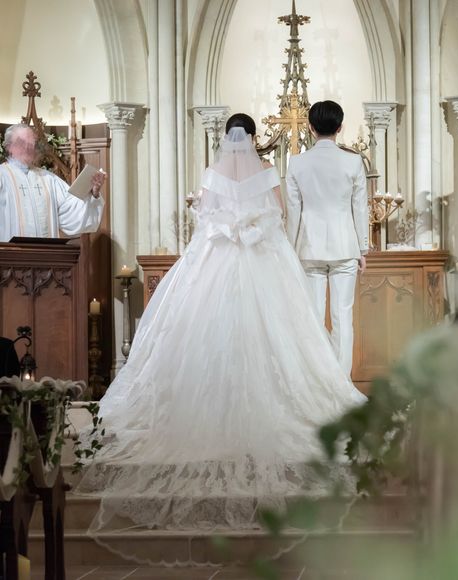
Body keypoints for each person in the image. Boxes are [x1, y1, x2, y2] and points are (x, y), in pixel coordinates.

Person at [77, 114, 366, 562]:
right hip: (262, 259)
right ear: (253, 138)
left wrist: (228, 226)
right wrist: (254, 228)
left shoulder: (212, 172)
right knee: (278, 333)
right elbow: (278, 215)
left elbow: (205, 218)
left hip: (216, 259)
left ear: (226, 138)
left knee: (207, 332)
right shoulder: (268, 170)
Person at [285, 100, 369, 375]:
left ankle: (319, 380)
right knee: (343, 316)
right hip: (345, 247)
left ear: (310, 128)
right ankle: (341, 382)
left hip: (308, 248)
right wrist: (363, 249)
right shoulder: (353, 161)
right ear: (340, 127)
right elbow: (360, 208)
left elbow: (293, 212)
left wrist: (290, 250)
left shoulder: (297, 163)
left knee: (313, 318)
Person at [0, 124, 105, 242]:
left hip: (46, 252)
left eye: (31, 142)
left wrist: (93, 193)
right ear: (9, 147)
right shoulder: (2, 176)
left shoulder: (48, 179)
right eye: (22, 142)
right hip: (10, 252)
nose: (28, 146)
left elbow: (71, 211)